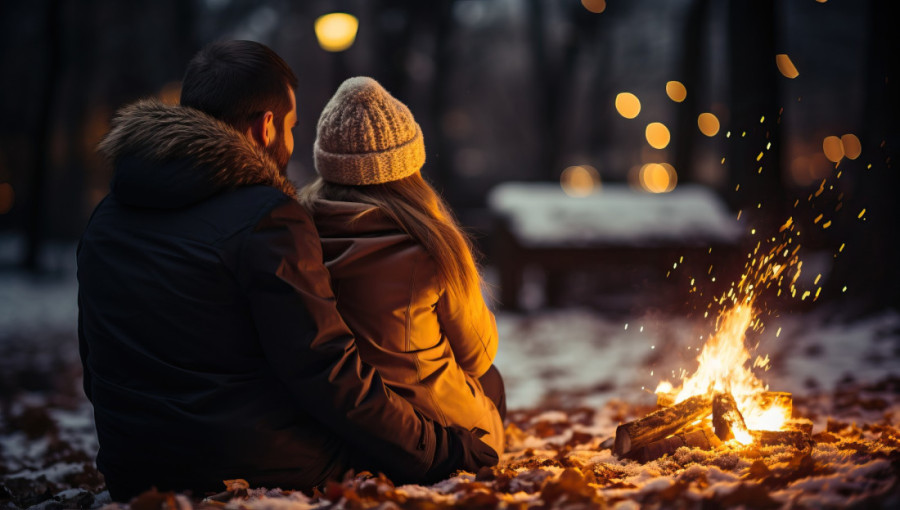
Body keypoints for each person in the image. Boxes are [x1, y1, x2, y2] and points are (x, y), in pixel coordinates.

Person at [77, 40, 497, 502]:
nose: (291, 141)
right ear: (266, 127)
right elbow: (330, 377)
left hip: (130, 467)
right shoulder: (267, 219)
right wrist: (444, 451)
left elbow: (95, 368)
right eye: (293, 126)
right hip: (248, 462)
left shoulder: (107, 217)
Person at [298, 77, 506, 455]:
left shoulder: (296, 233)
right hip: (438, 436)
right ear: (409, 167)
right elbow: (478, 355)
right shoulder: (432, 248)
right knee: (493, 382)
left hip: (329, 428)